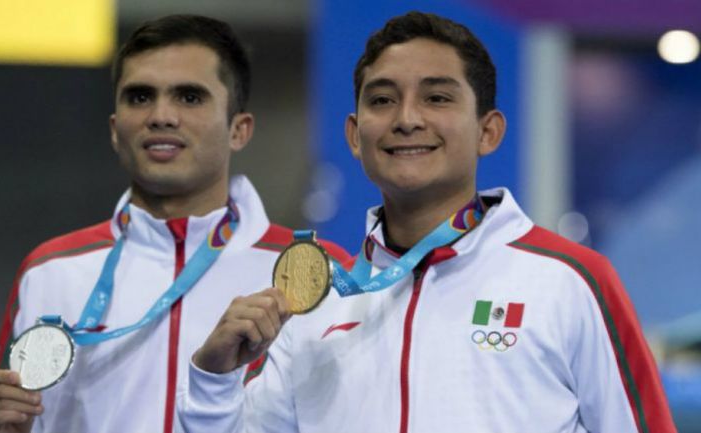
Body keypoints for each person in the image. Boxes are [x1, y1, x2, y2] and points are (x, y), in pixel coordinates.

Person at [178, 11, 677, 433]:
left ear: (488, 131)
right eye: (381, 100)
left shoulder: (571, 281)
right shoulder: (315, 306)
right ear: (355, 136)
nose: (406, 119)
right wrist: (213, 377)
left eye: (437, 98)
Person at [0, 14, 349, 433]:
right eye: (139, 97)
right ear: (115, 130)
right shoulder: (50, 269)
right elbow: (2, 417)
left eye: (189, 97)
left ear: (239, 130)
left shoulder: (315, 275)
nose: (161, 116)